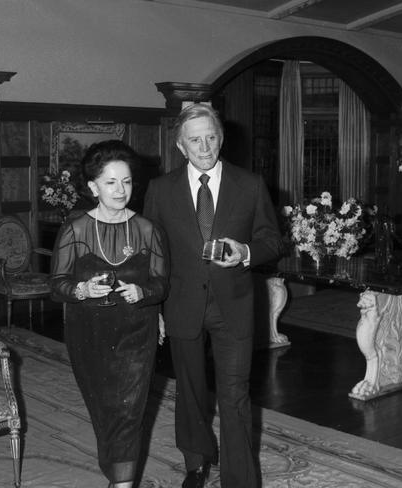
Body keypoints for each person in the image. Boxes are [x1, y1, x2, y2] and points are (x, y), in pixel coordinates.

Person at [143, 103, 283, 488]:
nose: (204, 147)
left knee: (235, 396)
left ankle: (239, 480)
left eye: (211, 137)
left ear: (221, 138)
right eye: (195, 140)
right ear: (180, 145)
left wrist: (247, 253)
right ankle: (197, 461)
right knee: (189, 391)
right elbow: (152, 253)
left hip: (234, 305)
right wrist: (153, 307)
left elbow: (272, 240)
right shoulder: (160, 189)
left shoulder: (250, 184)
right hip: (181, 303)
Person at [50, 139, 169, 488]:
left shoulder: (148, 230)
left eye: (127, 181)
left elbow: (163, 284)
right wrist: (81, 290)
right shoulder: (76, 230)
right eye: (111, 182)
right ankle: (115, 470)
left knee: (129, 410)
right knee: (105, 412)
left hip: (136, 332)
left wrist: (143, 292)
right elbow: (56, 285)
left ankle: (122, 483)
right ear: (93, 187)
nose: (121, 190)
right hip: (88, 334)